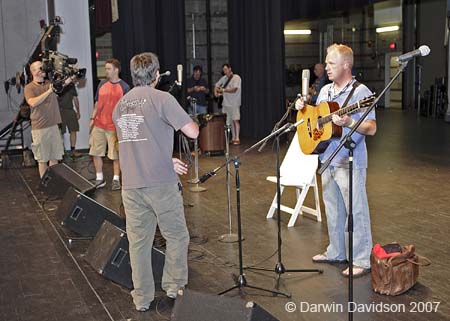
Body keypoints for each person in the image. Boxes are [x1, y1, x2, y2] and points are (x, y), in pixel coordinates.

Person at [112, 52, 199, 312]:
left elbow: (137, 142)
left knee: (138, 243)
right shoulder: (163, 98)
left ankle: (142, 298)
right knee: (176, 235)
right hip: (160, 184)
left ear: (132, 74)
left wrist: (166, 158)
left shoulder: (121, 105)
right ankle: (173, 287)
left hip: (131, 185)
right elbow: (192, 132)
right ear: (157, 74)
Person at [296, 44, 377, 277]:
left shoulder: (361, 93)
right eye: (326, 62)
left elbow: (371, 128)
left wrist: (350, 122)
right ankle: (336, 251)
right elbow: (314, 118)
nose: (325, 67)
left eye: (331, 63)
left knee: (356, 211)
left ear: (346, 65)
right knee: (333, 209)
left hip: (349, 160)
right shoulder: (326, 91)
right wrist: (302, 108)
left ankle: (361, 259)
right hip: (327, 157)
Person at [89, 58, 130, 190]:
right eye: (105, 68)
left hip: (114, 127)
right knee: (95, 152)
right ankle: (99, 178)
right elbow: (97, 103)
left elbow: (126, 108)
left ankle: (116, 179)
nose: (106, 71)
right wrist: (92, 118)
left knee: (115, 155)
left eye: (108, 68)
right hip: (99, 124)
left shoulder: (124, 87)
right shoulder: (101, 84)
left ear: (116, 70)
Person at [24, 61, 66, 178]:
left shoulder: (49, 83)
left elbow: (64, 84)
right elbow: (33, 102)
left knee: (55, 157)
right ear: (33, 72)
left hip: (53, 126)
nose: (43, 70)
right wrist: (49, 91)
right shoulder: (29, 87)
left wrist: (72, 76)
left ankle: (53, 184)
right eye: (39, 68)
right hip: (40, 128)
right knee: (42, 159)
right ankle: (44, 185)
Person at [214, 63, 241, 145]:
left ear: (230, 69)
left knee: (235, 120)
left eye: (226, 69)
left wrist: (223, 90)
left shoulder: (236, 78)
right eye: (223, 70)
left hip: (234, 103)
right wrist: (215, 92)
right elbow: (216, 85)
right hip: (226, 103)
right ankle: (233, 138)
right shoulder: (224, 78)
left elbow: (234, 89)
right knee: (229, 121)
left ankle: (237, 138)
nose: (225, 71)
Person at [58, 83, 81, 158]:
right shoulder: (56, 84)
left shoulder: (71, 85)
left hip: (70, 110)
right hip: (59, 111)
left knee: (73, 130)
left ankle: (73, 150)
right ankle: (60, 152)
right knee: (59, 132)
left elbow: (75, 98)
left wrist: (78, 111)